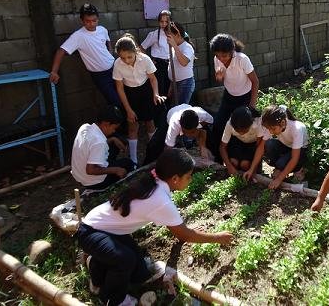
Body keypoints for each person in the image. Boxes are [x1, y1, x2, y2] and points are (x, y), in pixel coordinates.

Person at [76, 148, 233, 306]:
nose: (191, 179)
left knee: (139, 274)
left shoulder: (155, 179)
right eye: (188, 176)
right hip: (91, 232)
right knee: (126, 260)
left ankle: (98, 264)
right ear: (175, 179)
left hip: (104, 229)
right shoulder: (160, 200)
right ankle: (110, 298)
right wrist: (218, 238)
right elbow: (185, 235)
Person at [49, 3, 120, 107]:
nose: (91, 24)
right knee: (115, 102)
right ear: (82, 21)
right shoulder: (78, 36)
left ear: (98, 19)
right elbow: (61, 51)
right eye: (88, 21)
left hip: (115, 68)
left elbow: (107, 39)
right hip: (100, 76)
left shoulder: (102, 29)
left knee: (125, 97)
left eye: (94, 20)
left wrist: (110, 51)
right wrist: (54, 71)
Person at [112, 34, 165, 165]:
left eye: (129, 57)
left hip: (146, 91)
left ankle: (155, 152)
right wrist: (128, 109)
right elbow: (120, 88)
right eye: (123, 58)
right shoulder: (118, 64)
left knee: (149, 122)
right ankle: (133, 160)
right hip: (130, 94)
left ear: (135, 51)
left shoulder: (145, 59)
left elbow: (153, 78)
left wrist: (156, 94)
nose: (127, 60)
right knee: (132, 125)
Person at [210, 34, 259, 161]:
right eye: (218, 55)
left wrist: (251, 106)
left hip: (245, 97)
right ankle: (218, 160)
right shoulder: (217, 59)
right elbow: (220, 79)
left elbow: (255, 81)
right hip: (229, 96)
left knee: (241, 127)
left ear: (232, 51)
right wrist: (219, 77)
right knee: (218, 125)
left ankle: (243, 160)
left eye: (224, 56)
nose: (221, 59)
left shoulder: (242, 59)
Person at [243, 104, 308, 190]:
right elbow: (261, 147)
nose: (270, 131)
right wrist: (251, 169)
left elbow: (294, 158)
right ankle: (280, 168)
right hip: (285, 145)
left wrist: (279, 179)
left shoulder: (297, 128)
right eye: (269, 129)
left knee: (281, 164)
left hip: (300, 152)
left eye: (273, 129)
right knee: (268, 145)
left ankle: (298, 170)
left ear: (283, 123)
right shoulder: (273, 123)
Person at [71, 105, 134, 192]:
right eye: (114, 128)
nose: (114, 131)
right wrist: (116, 170)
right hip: (94, 182)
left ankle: (108, 163)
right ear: (106, 124)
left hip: (79, 176)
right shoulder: (99, 142)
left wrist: (113, 139)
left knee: (113, 144)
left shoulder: (85, 127)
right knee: (128, 164)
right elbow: (90, 170)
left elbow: (91, 146)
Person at [143, 104, 214, 165]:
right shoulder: (174, 124)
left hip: (188, 111)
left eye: (192, 132)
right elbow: (168, 149)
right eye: (186, 132)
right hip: (169, 117)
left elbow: (209, 122)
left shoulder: (203, 115)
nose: (188, 135)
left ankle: (215, 158)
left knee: (211, 138)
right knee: (154, 146)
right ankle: (146, 165)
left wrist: (203, 145)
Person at [220, 106, 264, 176]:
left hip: (253, 144)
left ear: (251, 124)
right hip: (237, 142)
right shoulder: (229, 124)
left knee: (245, 165)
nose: (241, 133)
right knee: (233, 162)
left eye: (244, 131)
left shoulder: (258, 123)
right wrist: (229, 167)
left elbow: (259, 147)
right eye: (237, 131)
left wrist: (253, 169)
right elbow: (222, 147)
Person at [140, 10, 172, 97]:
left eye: (167, 21)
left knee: (171, 89)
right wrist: (149, 60)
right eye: (162, 21)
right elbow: (142, 48)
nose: (164, 24)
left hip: (171, 64)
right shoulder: (154, 34)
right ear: (158, 22)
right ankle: (161, 109)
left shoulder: (174, 33)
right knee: (161, 90)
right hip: (159, 65)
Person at [166, 21, 195, 105]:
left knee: (180, 110)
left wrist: (174, 46)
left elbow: (184, 62)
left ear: (177, 34)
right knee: (174, 108)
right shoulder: (173, 48)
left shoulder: (187, 47)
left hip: (185, 83)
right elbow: (173, 66)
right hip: (175, 83)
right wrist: (171, 85)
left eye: (170, 35)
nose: (168, 38)